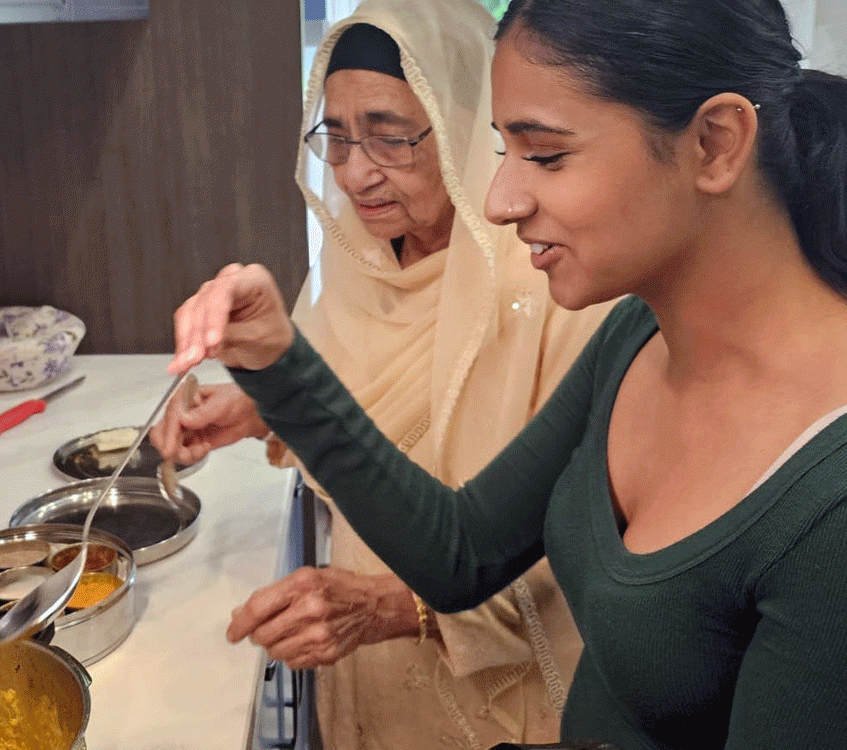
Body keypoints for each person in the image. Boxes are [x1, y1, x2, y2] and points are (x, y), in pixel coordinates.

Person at [166, 0, 847, 748]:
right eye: (502, 150)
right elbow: (461, 553)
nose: (498, 202)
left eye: (547, 155)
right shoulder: (641, 333)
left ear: (715, 144)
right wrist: (276, 359)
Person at [152, 1, 611, 746]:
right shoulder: (363, 264)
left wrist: (392, 607)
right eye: (336, 138)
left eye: (391, 137)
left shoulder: (548, 289)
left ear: (467, 125)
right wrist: (261, 407)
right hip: (363, 668)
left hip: (499, 701)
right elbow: (373, 420)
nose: (358, 172)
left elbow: (569, 540)